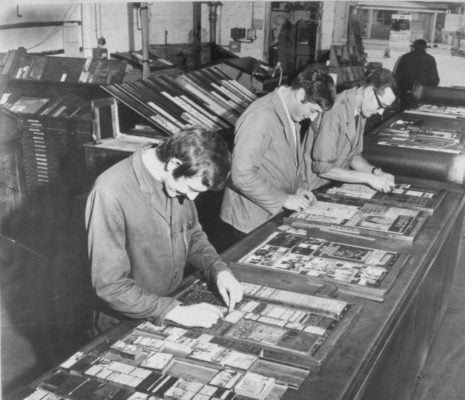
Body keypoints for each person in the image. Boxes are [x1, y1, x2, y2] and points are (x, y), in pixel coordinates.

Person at [85, 128, 243, 332]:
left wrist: (218, 270)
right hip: (124, 319)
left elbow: (193, 235)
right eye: (192, 189)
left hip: (171, 302)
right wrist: (176, 312)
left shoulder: (179, 177)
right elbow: (111, 286)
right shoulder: (109, 192)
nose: (192, 198)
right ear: (173, 164)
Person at [220, 64, 336, 236]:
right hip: (248, 221)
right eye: (313, 110)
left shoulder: (290, 112)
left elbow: (286, 161)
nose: (313, 118)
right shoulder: (261, 116)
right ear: (301, 94)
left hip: (270, 213)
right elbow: (241, 175)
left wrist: (299, 188)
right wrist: (285, 199)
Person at [306, 67, 397, 192]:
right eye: (382, 105)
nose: (381, 112)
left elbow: (352, 156)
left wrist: (375, 172)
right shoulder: (336, 111)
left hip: (331, 184)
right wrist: (369, 178)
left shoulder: (361, 109)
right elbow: (323, 169)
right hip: (311, 187)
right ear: (370, 92)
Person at [394, 39, 439, 109]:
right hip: (423, 93)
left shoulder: (405, 57)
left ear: (413, 47)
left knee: (404, 115)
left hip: (406, 93)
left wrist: (399, 91)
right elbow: (435, 79)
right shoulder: (430, 59)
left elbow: (397, 77)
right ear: (425, 48)